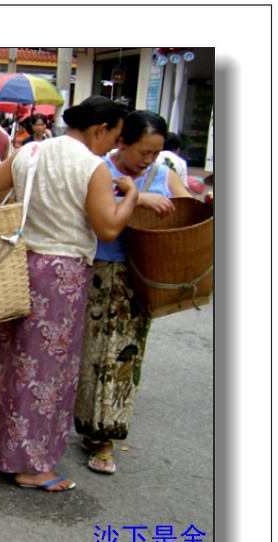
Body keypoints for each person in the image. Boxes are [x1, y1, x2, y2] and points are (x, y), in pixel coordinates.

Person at [0, 95, 138, 491]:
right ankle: (30, 464)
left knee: (12, 361)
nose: (111, 148)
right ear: (100, 130)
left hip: (21, 263)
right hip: (62, 273)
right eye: (112, 138)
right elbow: (108, 228)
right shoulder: (91, 166)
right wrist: (130, 194)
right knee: (47, 372)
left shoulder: (30, 151)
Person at [75, 111, 191, 475]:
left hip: (137, 278)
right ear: (122, 142)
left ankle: (107, 435)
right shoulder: (99, 170)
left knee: (123, 358)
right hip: (96, 272)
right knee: (89, 354)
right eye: (143, 151)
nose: (148, 160)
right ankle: (87, 427)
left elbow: (190, 212)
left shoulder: (164, 175)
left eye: (155, 154)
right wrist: (137, 201)